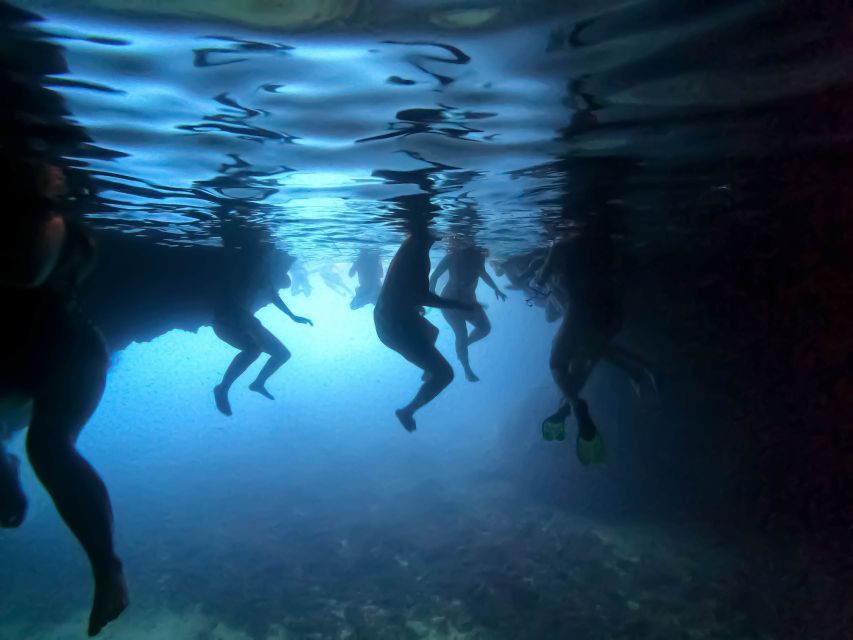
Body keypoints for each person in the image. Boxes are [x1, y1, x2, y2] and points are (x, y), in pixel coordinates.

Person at [0, 162, 128, 636]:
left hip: (68, 354)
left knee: (49, 447)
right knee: (38, 454)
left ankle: (107, 571)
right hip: (24, 354)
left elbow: (30, 272)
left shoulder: (53, 224)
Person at [535, 222, 655, 465]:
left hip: (580, 310)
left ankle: (575, 405)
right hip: (612, 312)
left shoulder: (561, 245)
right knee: (583, 362)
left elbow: (541, 280)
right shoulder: (608, 238)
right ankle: (566, 409)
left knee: (557, 364)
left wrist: (540, 271)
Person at [374, 226, 476, 432]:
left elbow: (407, 290)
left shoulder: (412, 247)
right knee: (445, 374)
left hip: (391, 319)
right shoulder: (417, 251)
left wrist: (410, 303)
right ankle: (407, 411)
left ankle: (428, 367)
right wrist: (459, 305)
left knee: (432, 332)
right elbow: (422, 296)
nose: (442, 232)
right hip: (396, 325)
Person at [212, 231, 312, 416]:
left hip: (247, 321)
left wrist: (293, 316)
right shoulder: (240, 268)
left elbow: (274, 296)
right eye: (262, 253)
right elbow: (227, 298)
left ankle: (258, 383)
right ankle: (223, 388)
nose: (265, 257)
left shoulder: (261, 273)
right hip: (226, 321)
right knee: (253, 349)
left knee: (282, 354)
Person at [429, 240, 506, 381]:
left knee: (485, 329)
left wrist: (496, 288)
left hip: (469, 302)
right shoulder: (452, 256)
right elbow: (434, 276)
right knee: (461, 334)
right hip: (450, 303)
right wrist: (432, 296)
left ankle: (464, 345)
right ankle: (467, 370)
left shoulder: (477, 256)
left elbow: (483, 274)